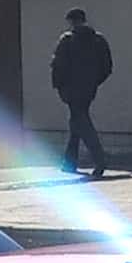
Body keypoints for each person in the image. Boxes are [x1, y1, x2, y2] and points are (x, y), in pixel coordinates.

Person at [50, 9, 113, 180]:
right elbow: (107, 66)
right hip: (89, 89)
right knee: (76, 122)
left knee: (82, 123)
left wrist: (59, 86)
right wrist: (94, 81)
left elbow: (58, 66)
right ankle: (69, 163)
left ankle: (100, 159)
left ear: (71, 21)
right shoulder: (98, 40)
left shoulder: (67, 40)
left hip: (71, 89)